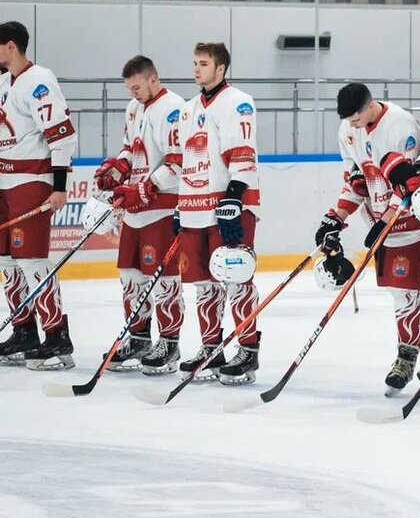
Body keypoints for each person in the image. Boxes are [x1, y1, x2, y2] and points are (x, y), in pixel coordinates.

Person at [314, 82, 420, 397]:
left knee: (403, 292)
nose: (351, 125)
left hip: (410, 220)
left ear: (369, 106)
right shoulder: (348, 130)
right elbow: (356, 180)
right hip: (379, 220)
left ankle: (406, 357)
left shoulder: (400, 125)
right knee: (409, 293)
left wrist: (386, 220)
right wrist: (336, 217)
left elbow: (411, 183)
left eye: (355, 118)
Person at [174, 42, 262, 385]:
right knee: (204, 285)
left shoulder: (238, 102)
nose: (196, 69)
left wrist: (234, 199)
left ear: (221, 68)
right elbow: (187, 161)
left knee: (237, 280)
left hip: (228, 208)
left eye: (204, 63)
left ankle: (248, 350)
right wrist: (181, 207)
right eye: (195, 62)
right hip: (195, 208)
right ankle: (212, 347)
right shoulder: (187, 108)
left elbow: (243, 154)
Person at [95, 55, 187, 375]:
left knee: (163, 280)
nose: (134, 93)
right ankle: (137, 337)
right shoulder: (134, 108)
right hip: (134, 210)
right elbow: (129, 149)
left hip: (161, 208)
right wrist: (116, 171)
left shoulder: (175, 108)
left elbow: (178, 162)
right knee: (131, 278)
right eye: (129, 89)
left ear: (153, 79)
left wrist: (146, 189)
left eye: (137, 87)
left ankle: (170, 343)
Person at [0, 21, 78, 369]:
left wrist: (59, 186)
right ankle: (24, 330)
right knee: (6, 262)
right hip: (3, 183)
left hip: (31, 181)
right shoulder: (4, 82)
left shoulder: (40, 81)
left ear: (11, 46)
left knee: (32, 261)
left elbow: (61, 135)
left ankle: (57, 335)